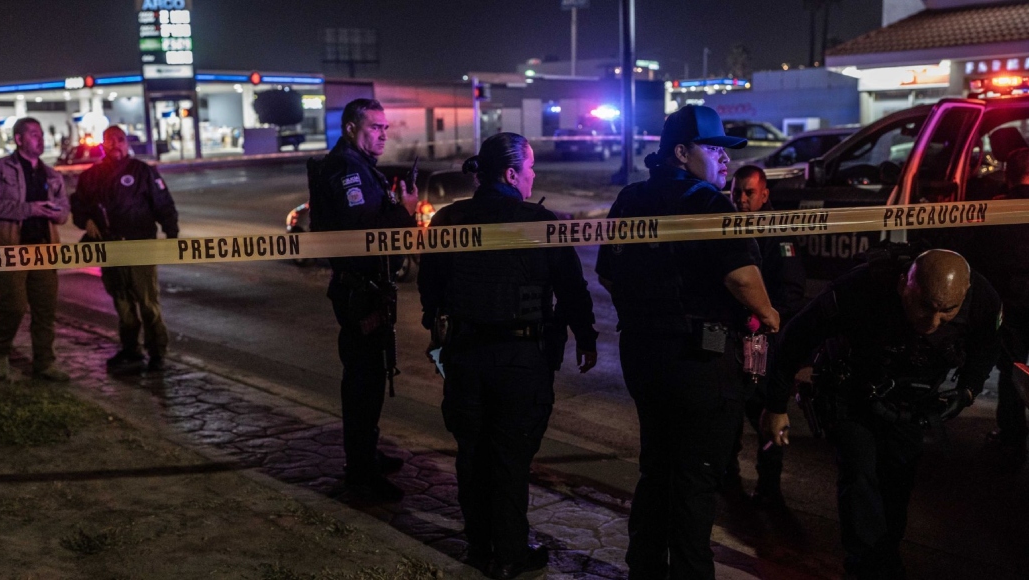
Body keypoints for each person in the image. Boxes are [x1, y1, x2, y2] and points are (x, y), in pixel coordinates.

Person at [596, 105, 780, 579]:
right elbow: (741, 278)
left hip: (644, 356)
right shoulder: (708, 203)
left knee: (657, 468)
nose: (724, 160)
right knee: (697, 478)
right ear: (681, 152)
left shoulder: (630, 198)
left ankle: (645, 569)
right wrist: (768, 313)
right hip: (700, 362)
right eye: (714, 148)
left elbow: (609, 275)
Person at [418, 133, 599, 579]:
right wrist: (585, 336)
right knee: (510, 460)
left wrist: (439, 332)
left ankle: (480, 547)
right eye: (531, 168)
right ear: (512, 173)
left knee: (473, 454)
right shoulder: (538, 221)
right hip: (521, 358)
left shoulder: (447, 221)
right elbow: (572, 289)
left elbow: (431, 290)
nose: (534, 175)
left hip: (464, 355)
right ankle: (512, 553)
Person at [761, 249, 1001, 579]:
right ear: (904, 284)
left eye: (947, 313)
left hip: (911, 402)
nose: (932, 323)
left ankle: (885, 558)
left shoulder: (982, 298)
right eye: (924, 307)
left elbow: (988, 344)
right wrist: (775, 406)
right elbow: (795, 337)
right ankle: (863, 567)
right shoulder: (860, 288)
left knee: (897, 483)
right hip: (851, 394)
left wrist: (969, 388)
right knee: (860, 476)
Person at [308, 98, 418, 502]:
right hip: (359, 290)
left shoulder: (359, 167)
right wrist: (405, 212)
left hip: (368, 287)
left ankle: (367, 453)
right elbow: (363, 232)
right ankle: (360, 471)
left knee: (371, 376)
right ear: (352, 128)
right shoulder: (347, 171)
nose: (384, 134)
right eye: (375, 127)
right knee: (363, 383)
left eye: (386, 128)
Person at [725, 165, 807, 506]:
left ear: (764, 195)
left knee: (767, 413)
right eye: (737, 193)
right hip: (732, 337)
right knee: (728, 413)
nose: (742, 199)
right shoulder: (727, 225)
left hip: (764, 338)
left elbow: (790, 291)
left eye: (749, 193)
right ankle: (727, 479)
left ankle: (769, 487)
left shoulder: (778, 233)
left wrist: (761, 314)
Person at [70, 126, 179, 372]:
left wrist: (172, 234)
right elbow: (78, 205)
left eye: (119, 140)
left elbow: (163, 204)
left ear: (126, 143)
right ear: (102, 144)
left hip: (139, 245)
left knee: (148, 303)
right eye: (109, 140)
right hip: (109, 247)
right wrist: (85, 220)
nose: (115, 144)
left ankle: (157, 352)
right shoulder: (91, 176)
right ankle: (131, 350)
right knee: (122, 303)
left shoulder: (143, 172)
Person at [0, 117, 71, 382]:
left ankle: (44, 363)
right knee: (15, 304)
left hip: (44, 248)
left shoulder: (51, 175)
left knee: (45, 309)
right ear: (18, 139)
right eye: (33, 134)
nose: (40, 139)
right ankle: (0, 350)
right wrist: (29, 209)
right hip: (9, 247)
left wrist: (54, 213)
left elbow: (64, 213)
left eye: (41, 134)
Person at [970, 147, 1029, 449]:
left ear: (1008, 176)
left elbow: (977, 260)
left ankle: (1012, 438)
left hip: (1011, 304)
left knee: (1012, 372)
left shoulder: (995, 210)